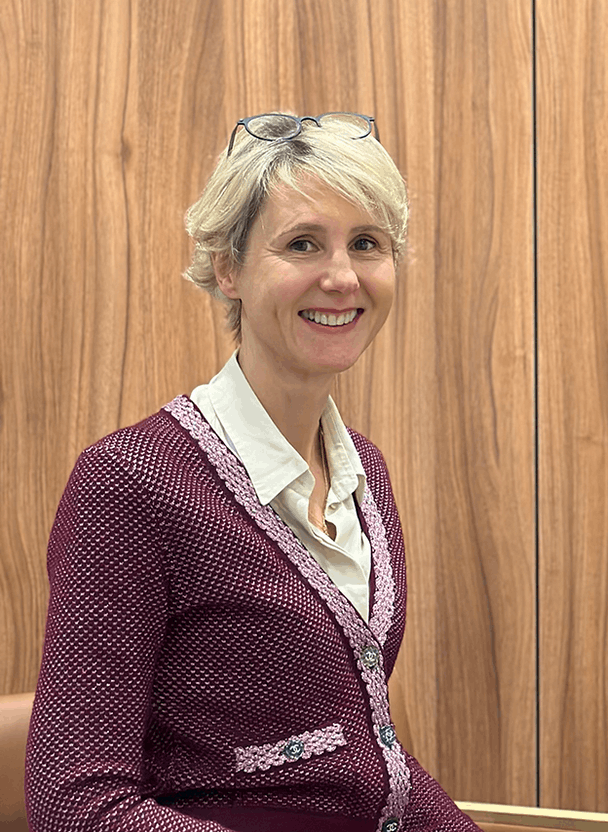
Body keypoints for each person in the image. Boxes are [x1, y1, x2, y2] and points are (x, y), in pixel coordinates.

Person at [26, 112, 480, 832]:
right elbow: (76, 804)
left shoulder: (366, 470)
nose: (341, 276)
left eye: (367, 243)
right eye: (302, 243)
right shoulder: (130, 481)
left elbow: (365, 759)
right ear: (227, 268)